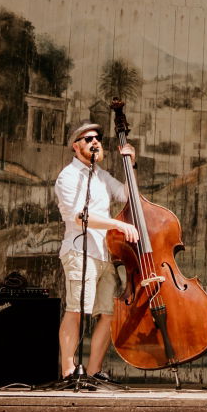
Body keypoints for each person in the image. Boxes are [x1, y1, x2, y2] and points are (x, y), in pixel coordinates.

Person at [54, 120, 139, 381]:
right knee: (76, 310)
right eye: (88, 139)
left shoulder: (101, 175)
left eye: (97, 139)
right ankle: (69, 371)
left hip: (104, 254)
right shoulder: (68, 177)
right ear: (75, 146)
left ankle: (93, 370)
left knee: (107, 313)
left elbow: (128, 195)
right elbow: (79, 216)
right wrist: (115, 224)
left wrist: (131, 166)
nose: (95, 142)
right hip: (81, 251)